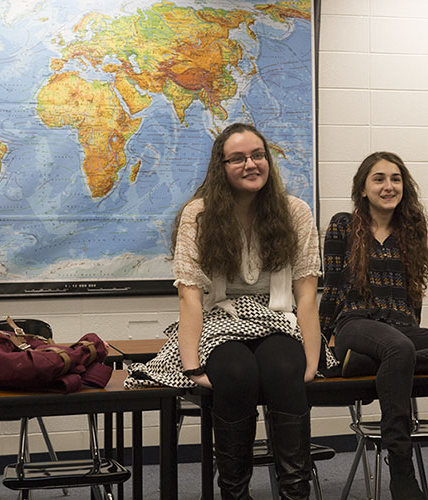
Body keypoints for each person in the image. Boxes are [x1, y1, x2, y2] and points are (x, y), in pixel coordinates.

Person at [125, 122, 322, 499]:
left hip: (276, 316)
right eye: (238, 158)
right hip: (220, 319)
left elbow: (307, 295)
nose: (251, 164)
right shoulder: (199, 215)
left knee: (285, 368)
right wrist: (191, 364)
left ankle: (296, 492)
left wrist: (310, 359)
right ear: (221, 166)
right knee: (236, 372)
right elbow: (190, 297)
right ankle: (234, 493)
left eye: (258, 155)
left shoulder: (295, 212)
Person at [319, 151, 428, 500]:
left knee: (400, 347)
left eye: (395, 178)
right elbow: (332, 287)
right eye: (378, 179)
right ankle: (401, 466)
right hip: (356, 322)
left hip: (399, 327)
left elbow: (415, 294)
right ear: (363, 188)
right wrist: (322, 344)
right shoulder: (342, 225)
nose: (388, 186)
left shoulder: (414, 230)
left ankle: (370, 363)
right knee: (399, 349)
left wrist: (412, 332)